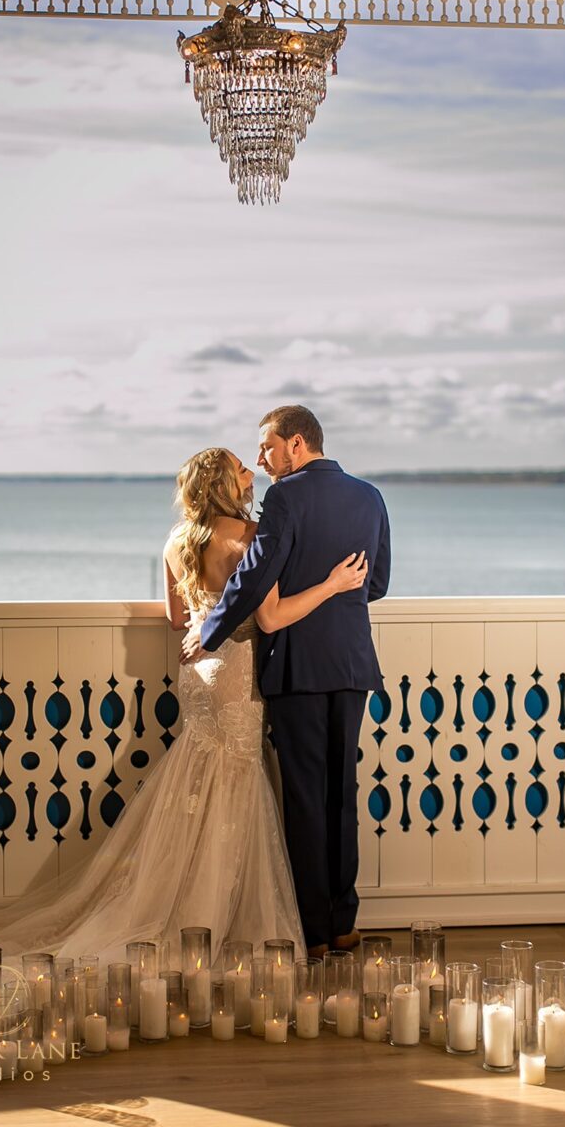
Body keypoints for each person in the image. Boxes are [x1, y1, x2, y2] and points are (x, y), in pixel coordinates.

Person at [0, 445, 366, 1018]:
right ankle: (217, 918)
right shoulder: (251, 534)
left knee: (196, 776)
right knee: (236, 778)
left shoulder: (177, 540)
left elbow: (176, 619)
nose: (250, 470)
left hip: (196, 675)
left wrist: (206, 622)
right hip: (235, 667)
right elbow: (267, 615)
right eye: (240, 466)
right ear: (225, 483)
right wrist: (329, 587)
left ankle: (184, 903)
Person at [181, 406, 391, 959]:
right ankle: (344, 923)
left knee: (304, 799)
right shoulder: (370, 496)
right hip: (350, 663)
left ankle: (316, 933)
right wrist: (335, 596)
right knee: (342, 794)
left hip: (298, 664)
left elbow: (254, 575)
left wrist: (211, 630)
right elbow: (379, 583)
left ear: (296, 445)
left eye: (268, 449)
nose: (261, 459)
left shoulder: (285, 497)